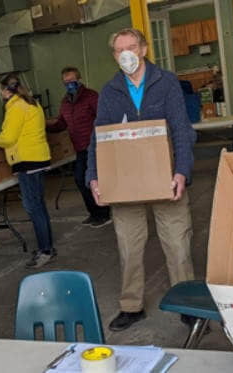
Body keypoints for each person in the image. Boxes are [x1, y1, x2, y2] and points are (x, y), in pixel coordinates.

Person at [86, 28, 197, 331]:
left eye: (132, 47)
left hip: (166, 177)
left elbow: (181, 129)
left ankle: (187, 302)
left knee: (177, 243)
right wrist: (94, 177)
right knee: (129, 246)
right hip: (125, 182)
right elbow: (99, 138)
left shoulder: (166, 82)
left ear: (144, 49)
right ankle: (131, 306)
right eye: (120, 49)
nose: (127, 54)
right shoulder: (110, 91)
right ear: (114, 55)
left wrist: (182, 171)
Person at [0, 74, 56, 269]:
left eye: (0, 90)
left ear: (6, 90)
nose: (0, 94)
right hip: (38, 158)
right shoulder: (32, 103)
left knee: (33, 207)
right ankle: (47, 246)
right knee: (39, 205)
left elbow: (9, 138)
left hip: (27, 162)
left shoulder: (16, 107)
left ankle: (45, 251)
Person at [46, 66, 111, 228]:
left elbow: (103, 118)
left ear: (79, 79)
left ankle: (103, 213)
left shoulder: (91, 96)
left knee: (91, 180)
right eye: (66, 81)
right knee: (81, 180)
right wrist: (43, 126)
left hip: (94, 146)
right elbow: (62, 123)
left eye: (72, 80)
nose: (69, 84)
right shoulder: (65, 102)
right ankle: (94, 213)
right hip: (80, 147)